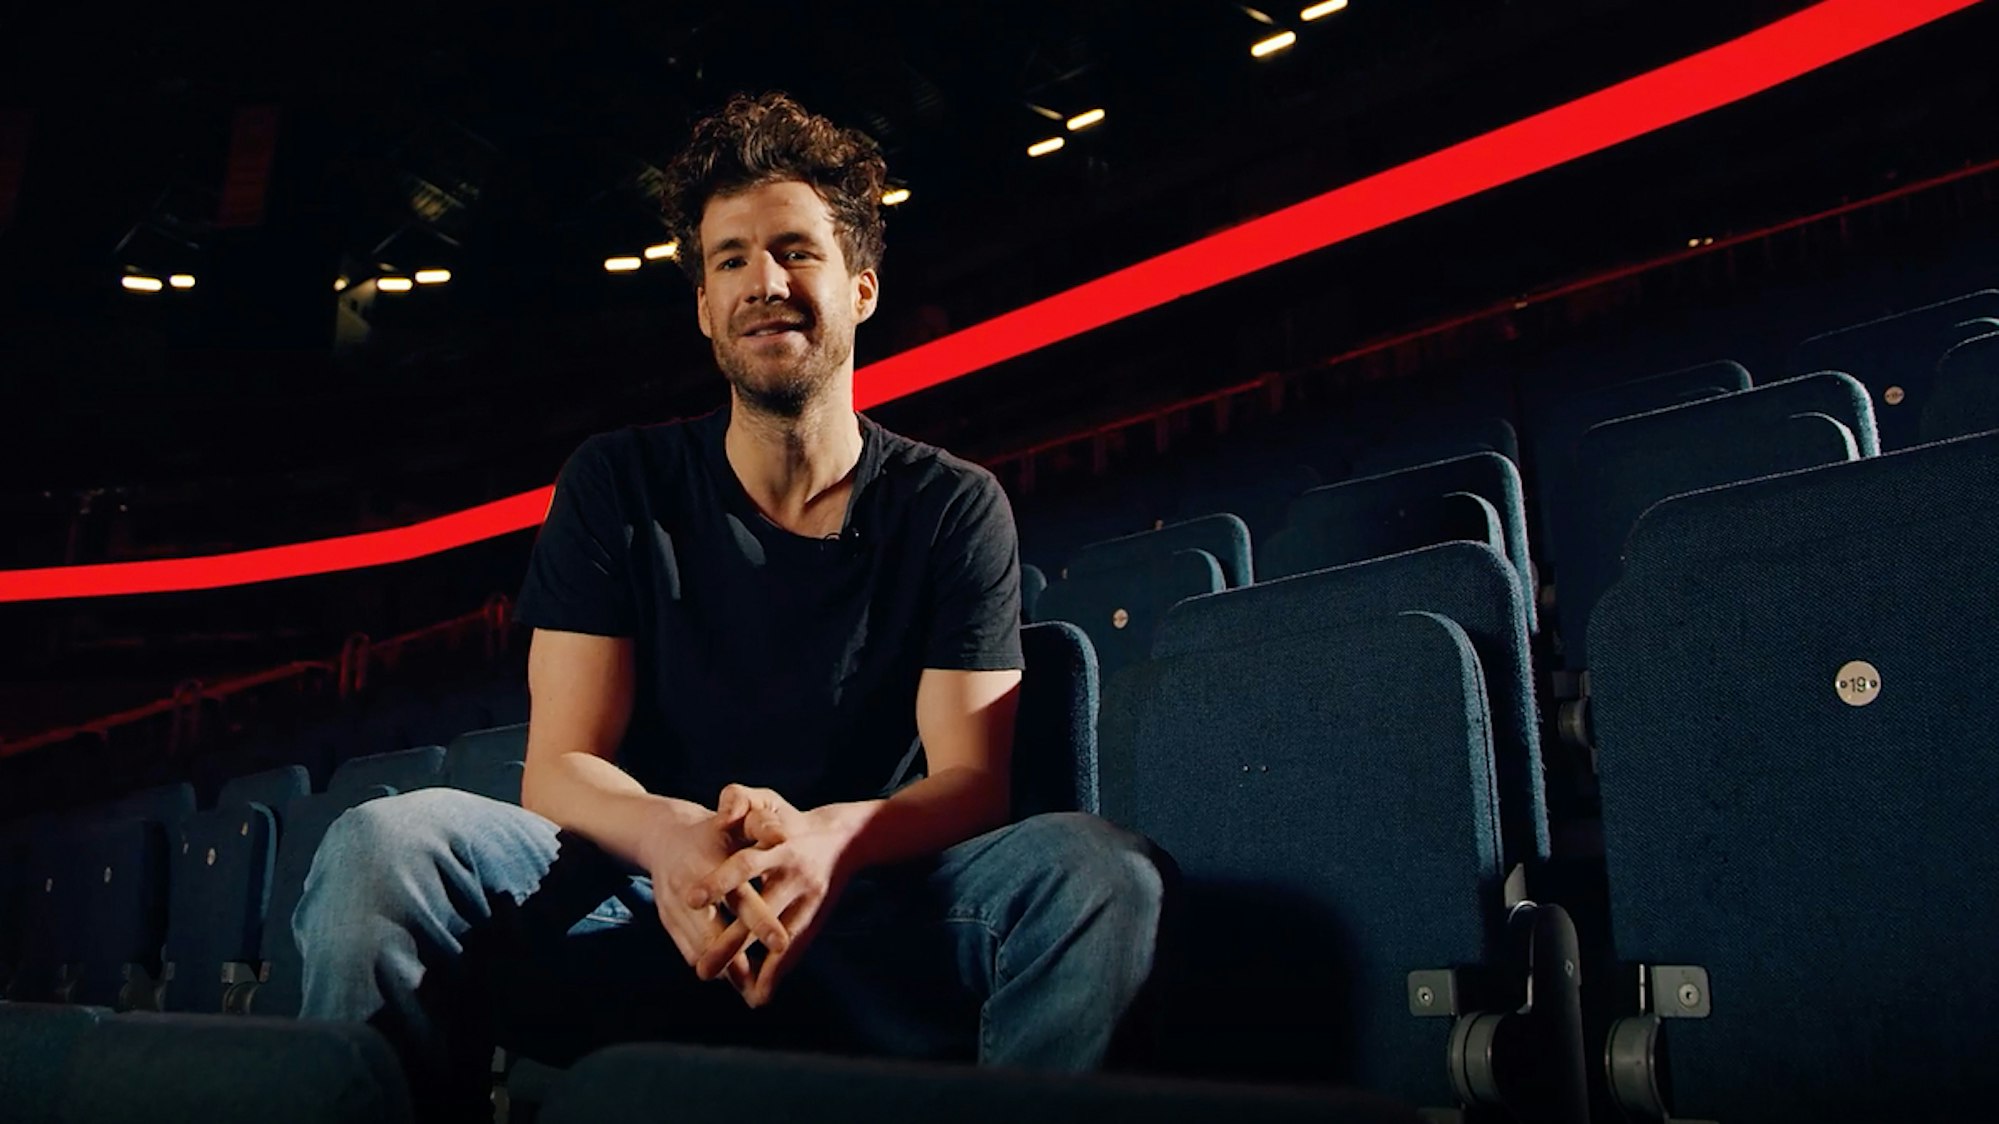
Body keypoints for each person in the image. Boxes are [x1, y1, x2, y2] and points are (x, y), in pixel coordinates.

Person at [292, 91, 1165, 1122]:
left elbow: (971, 780)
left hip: (870, 902)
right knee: (380, 845)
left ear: (862, 287)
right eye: (731, 259)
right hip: (645, 895)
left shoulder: (952, 503)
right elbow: (559, 762)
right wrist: (671, 840)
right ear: (704, 305)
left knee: (1102, 876)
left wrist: (828, 842)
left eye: (796, 251)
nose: (766, 283)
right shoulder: (616, 481)